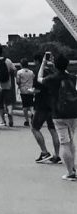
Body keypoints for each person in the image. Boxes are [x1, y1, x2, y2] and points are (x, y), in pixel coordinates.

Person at [40, 53, 77, 181]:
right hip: (73, 112)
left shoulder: (52, 78)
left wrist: (44, 63)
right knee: (71, 141)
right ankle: (73, 167)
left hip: (58, 113)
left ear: (55, 66)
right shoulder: (73, 77)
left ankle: (70, 172)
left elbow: (39, 78)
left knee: (64, 143)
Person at [31, 52, 61, 164]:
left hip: (42, 103)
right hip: (53, 103)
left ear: (37, 61)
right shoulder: (54, 71)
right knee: (53, 130)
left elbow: (37, 88)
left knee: (35, 127)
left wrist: (32, 91)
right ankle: (56, 155)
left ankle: (44, 152)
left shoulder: (39, 71)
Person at [0, 44, 16, 127]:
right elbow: (14, 70)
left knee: (0, 104)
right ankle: (10, 114)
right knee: (9, 103)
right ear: (2, 52)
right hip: (7, 85)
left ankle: (3, 121)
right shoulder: (8, 61)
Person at [15, 58, 35, 127]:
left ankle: (26, 120)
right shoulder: (31, 72)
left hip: (23, 90)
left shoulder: (19, 72)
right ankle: (33, 114)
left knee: (25, 105)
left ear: (21, 64)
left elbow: (17, 81)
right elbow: (33, 79)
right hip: (30, 90)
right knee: (31, 104)